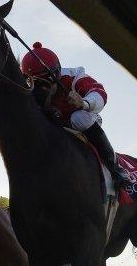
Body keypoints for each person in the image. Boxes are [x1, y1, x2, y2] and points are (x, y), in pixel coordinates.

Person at [21, 43, 130, 188]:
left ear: (57, 73)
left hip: (80, 122)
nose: (44, 89)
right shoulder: (30, 88)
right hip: (53, 125)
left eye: (47, 83)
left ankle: (114, 167)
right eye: (39, 84)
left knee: (80, 117)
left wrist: (84, 103)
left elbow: (99, 93)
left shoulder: (74, 76)